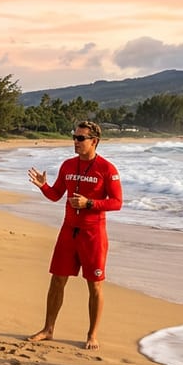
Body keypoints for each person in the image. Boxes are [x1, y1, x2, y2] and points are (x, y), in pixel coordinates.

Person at [27, 121, 122, 350]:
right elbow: (56, 195)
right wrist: (43, 185)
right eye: (74, 137)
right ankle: (48, 329)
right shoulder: (68, 165)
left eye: (81, 138)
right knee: (57, 279)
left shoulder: (107, 169)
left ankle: (92, 334)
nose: (76, 142)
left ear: (94, 141)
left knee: (95, 285)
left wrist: (89, 203)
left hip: (93, 234)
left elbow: (117, 203)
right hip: (68, 231)